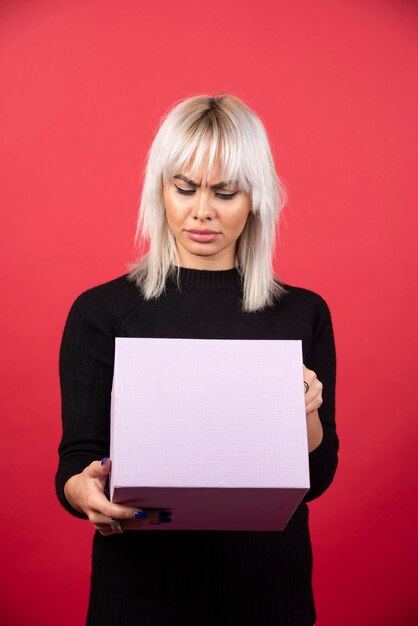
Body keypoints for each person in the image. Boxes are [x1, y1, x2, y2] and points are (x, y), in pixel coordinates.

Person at [55, 92, 338, 626]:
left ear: (256, 199)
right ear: (159, 190)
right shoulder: (103, 311)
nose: (201, 210)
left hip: (270, 596)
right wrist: (83, 489)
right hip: (140, 594)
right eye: (184, 189)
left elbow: (317, 480)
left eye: (225, 193)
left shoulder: (302, 314)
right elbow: (77, 458)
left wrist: (305, 412)